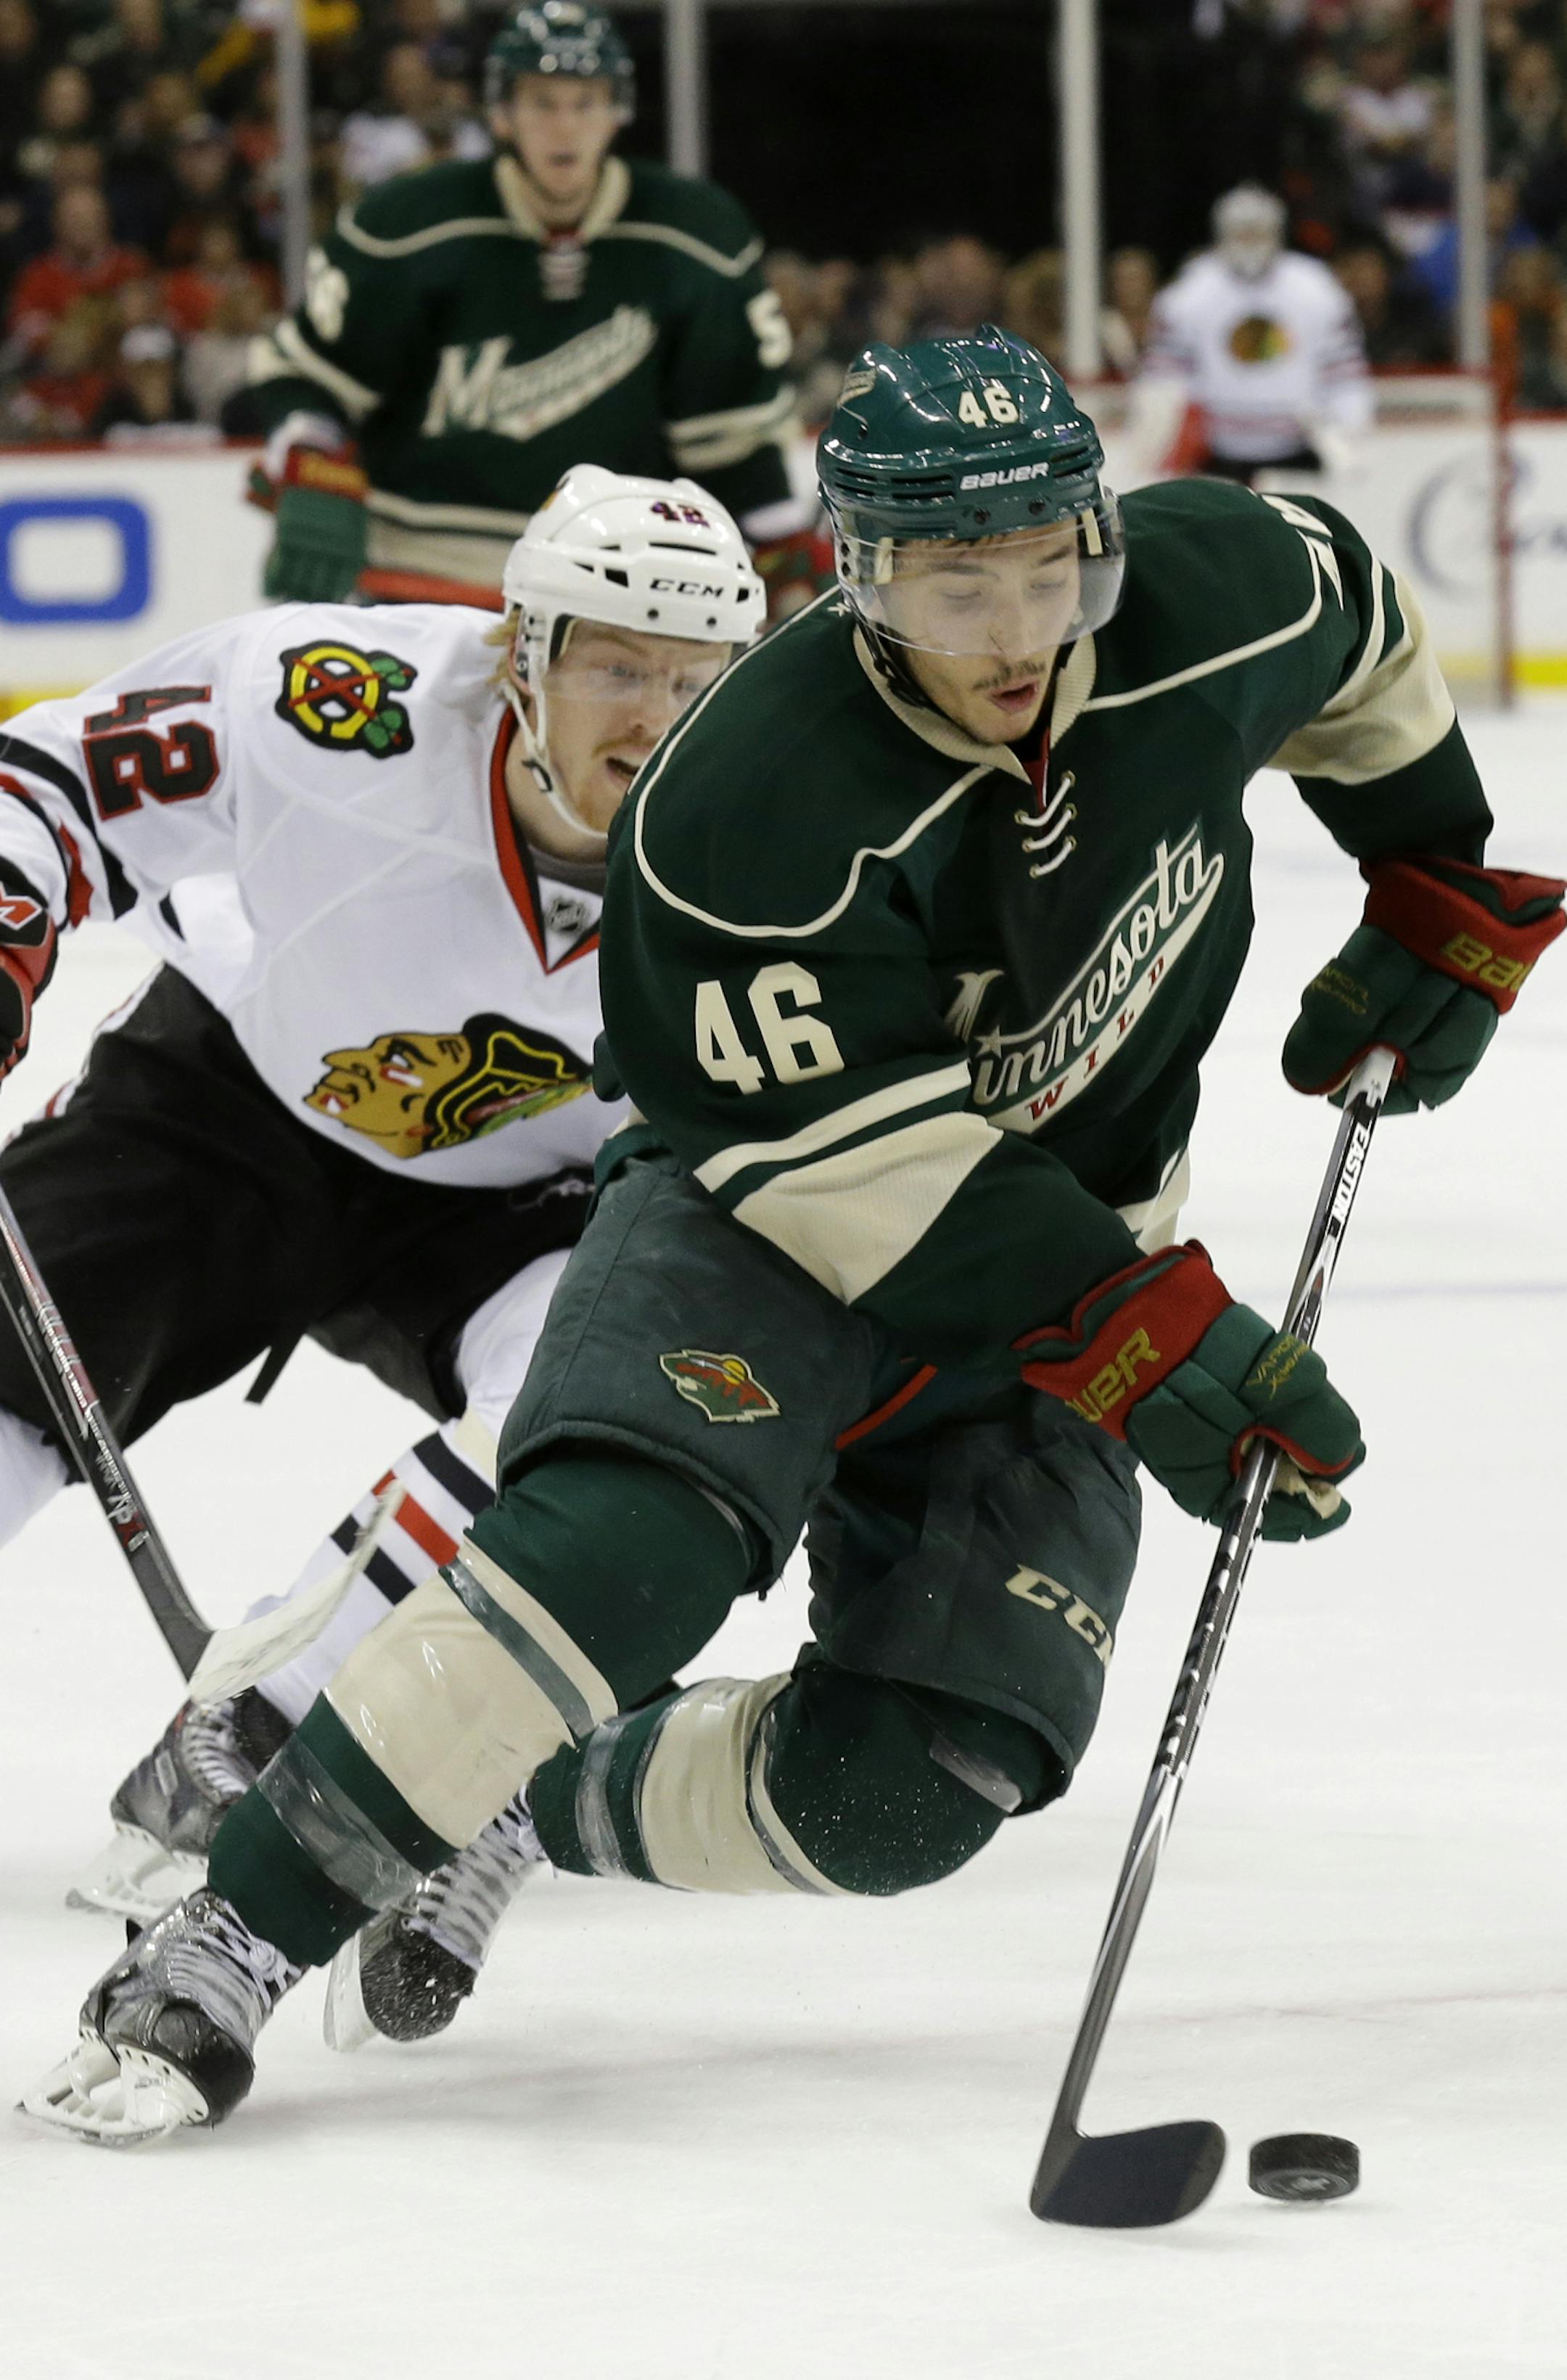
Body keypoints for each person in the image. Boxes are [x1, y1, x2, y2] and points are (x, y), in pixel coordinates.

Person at [23, 329, 1564, 2146]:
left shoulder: (1211, 583)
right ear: (856, 578)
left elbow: (1354, 612)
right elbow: (846, 1162)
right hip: (758, 1212)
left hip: (1046, 1232)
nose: (1011, 633)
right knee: (617, 1541)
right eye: (949, 580)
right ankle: (229, 1939)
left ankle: (537, 1784)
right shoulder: (740, 809)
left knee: (923, 1782)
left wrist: (1432, 863)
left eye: (1045, 568)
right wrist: (1143, 1327)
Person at [0, 466, 761, 2009]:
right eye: (617, 663)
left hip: (527, 1207)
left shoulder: (787, 840)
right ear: (521, 651)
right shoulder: (331, 704)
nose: (658, 715)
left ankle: (272, 1726)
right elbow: (53, 778)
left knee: (616, 1405)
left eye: (697, 679)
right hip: (237, 1101)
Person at [237, 0, 799, 606]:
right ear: (502, 113)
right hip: (420, 579)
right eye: (542, 103)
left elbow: (730, 441)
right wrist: (313, 469)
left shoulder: (695, 238)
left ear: (618, 113)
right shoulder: (409, 226)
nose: (565, 127)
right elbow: (306, 378)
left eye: (585, 103)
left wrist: (782, 547)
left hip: (613, 590)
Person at [1128, 184, 1373, 484]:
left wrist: (1349, 436)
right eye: (1242, 232)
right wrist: (1157, 447)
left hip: (1302, 448)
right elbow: (1164, 384)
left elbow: (1344, 376)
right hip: (1214, 454)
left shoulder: (1317, 289)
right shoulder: (1188, 294)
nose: (1250, 242)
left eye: (1258, 231)